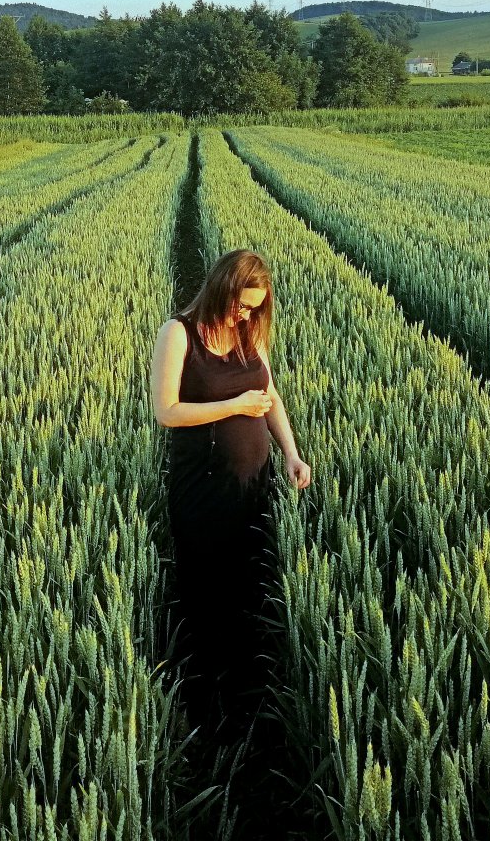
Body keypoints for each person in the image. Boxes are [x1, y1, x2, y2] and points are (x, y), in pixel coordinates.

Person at [148, 248, 311, 741]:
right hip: (202, 490)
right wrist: (233, 405)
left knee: (246, 586)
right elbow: (167, 411)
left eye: (254, 308)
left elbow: (270, 397)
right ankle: (202, 705)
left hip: (253, 485)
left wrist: (291, 453)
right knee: (205, 593)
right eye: (241, 305)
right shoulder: (178, 333)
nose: (245, 315)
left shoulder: (248, 333)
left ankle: (243, 696)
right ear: (221, 287)